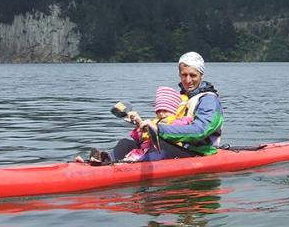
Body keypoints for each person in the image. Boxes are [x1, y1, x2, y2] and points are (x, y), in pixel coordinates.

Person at [78, 51, 224, 165]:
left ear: (201, 75)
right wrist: (140, 123)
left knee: (160, 146)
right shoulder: (182, 97)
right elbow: (168, 120)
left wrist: (158, 129)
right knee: (126, 143)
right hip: (177, 147)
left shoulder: (209, 100)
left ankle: (125, 165)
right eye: (184, 75)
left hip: (199, 152)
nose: (188, 80)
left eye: (193, 75)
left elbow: (200, 131)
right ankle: (104, 160)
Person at [120, 86, 192, 162]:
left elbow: (172, 131)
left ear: (173, 110)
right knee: (124, 142)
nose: (161, 114)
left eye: (165, 111)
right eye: (158, 111)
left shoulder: (182, 121)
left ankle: (133, 165)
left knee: (159, 145)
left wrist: (152, 127)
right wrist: (139, 124)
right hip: (144, 152)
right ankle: (108, 160)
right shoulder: (155, 121)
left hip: (166, 152)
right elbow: (140, 140)